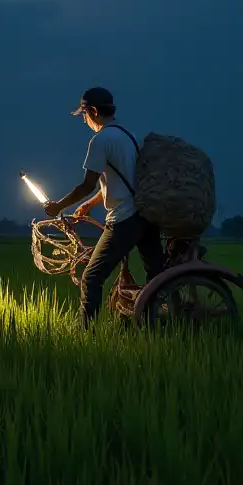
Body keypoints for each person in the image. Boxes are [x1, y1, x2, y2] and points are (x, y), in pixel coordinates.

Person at [43, 87, 167, 328]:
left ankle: (85, 333)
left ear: (94, 111)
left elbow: (87, 184)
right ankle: (159, 324)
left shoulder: (100, 140)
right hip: (145, 217)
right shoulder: (128, 135)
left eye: (84, 114)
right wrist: (88, 205)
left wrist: (58, 206)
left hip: (124, 219)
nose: (83, 119)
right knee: (157, 277)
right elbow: (117, 182)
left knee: (91, 277)